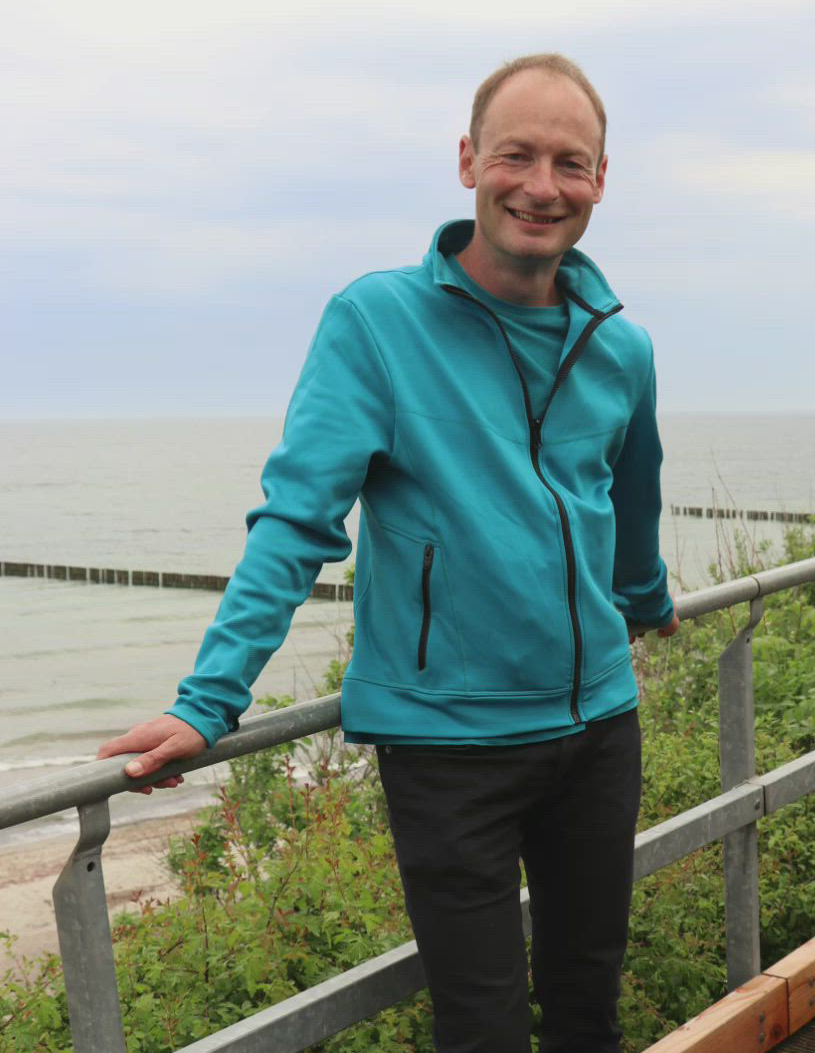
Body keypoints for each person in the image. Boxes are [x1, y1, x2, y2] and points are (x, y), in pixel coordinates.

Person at [98, 53, 679, 1053]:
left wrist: (645, 595)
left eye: (569, 163)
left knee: (590, 1005)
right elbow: (295, 524)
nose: (542, 186)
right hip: (450, 746)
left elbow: (631, 497)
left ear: (600, 180)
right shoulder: (375, 322)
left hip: (598, 730)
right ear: (468, 162)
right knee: (484, 1029)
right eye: (517, 155)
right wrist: (208, 701)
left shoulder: (622, 346)